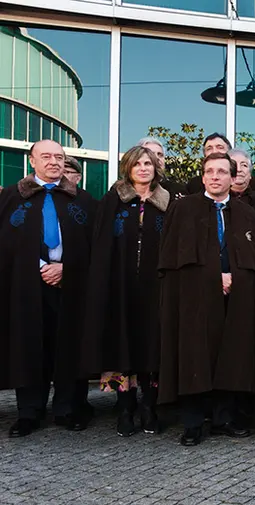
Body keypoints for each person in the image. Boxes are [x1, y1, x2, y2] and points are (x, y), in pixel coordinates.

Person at [158, 152, 255, 446]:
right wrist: (213, 278)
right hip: (195, 298)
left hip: (237, 297)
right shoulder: (183, 208)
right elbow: (174, 260)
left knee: (231, 355)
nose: (215, 177)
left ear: (233, 177)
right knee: (196, 354)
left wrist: (236, 277)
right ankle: (194, 422)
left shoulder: (247, 213)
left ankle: (224, 418)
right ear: (203, 176)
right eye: (210, 171)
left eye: (222, 172)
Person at [0, 140, 96, 437]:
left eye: (59, 157)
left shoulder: (82, 199)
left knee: (69, 344)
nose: (53, 162)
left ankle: (68, 408)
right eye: (46, 156)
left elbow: (95, 244)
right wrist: (36, 265)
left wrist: (67, 267)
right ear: (32, 161)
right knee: (28, 343)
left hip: (71, 284)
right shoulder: (11, 198)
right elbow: (5, 243)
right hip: (26, 286)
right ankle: (29, 412)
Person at [83, 145, 173, 436]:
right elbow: (101, 243)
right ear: (128, 168)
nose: (144, 168)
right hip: (120, 287)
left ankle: (149, 406)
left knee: (151, 346)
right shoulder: (114, 200)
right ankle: (125, 408)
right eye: (138, 164)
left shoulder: (167, 202)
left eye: (148, 163)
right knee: (122, 344)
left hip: (154, 289)